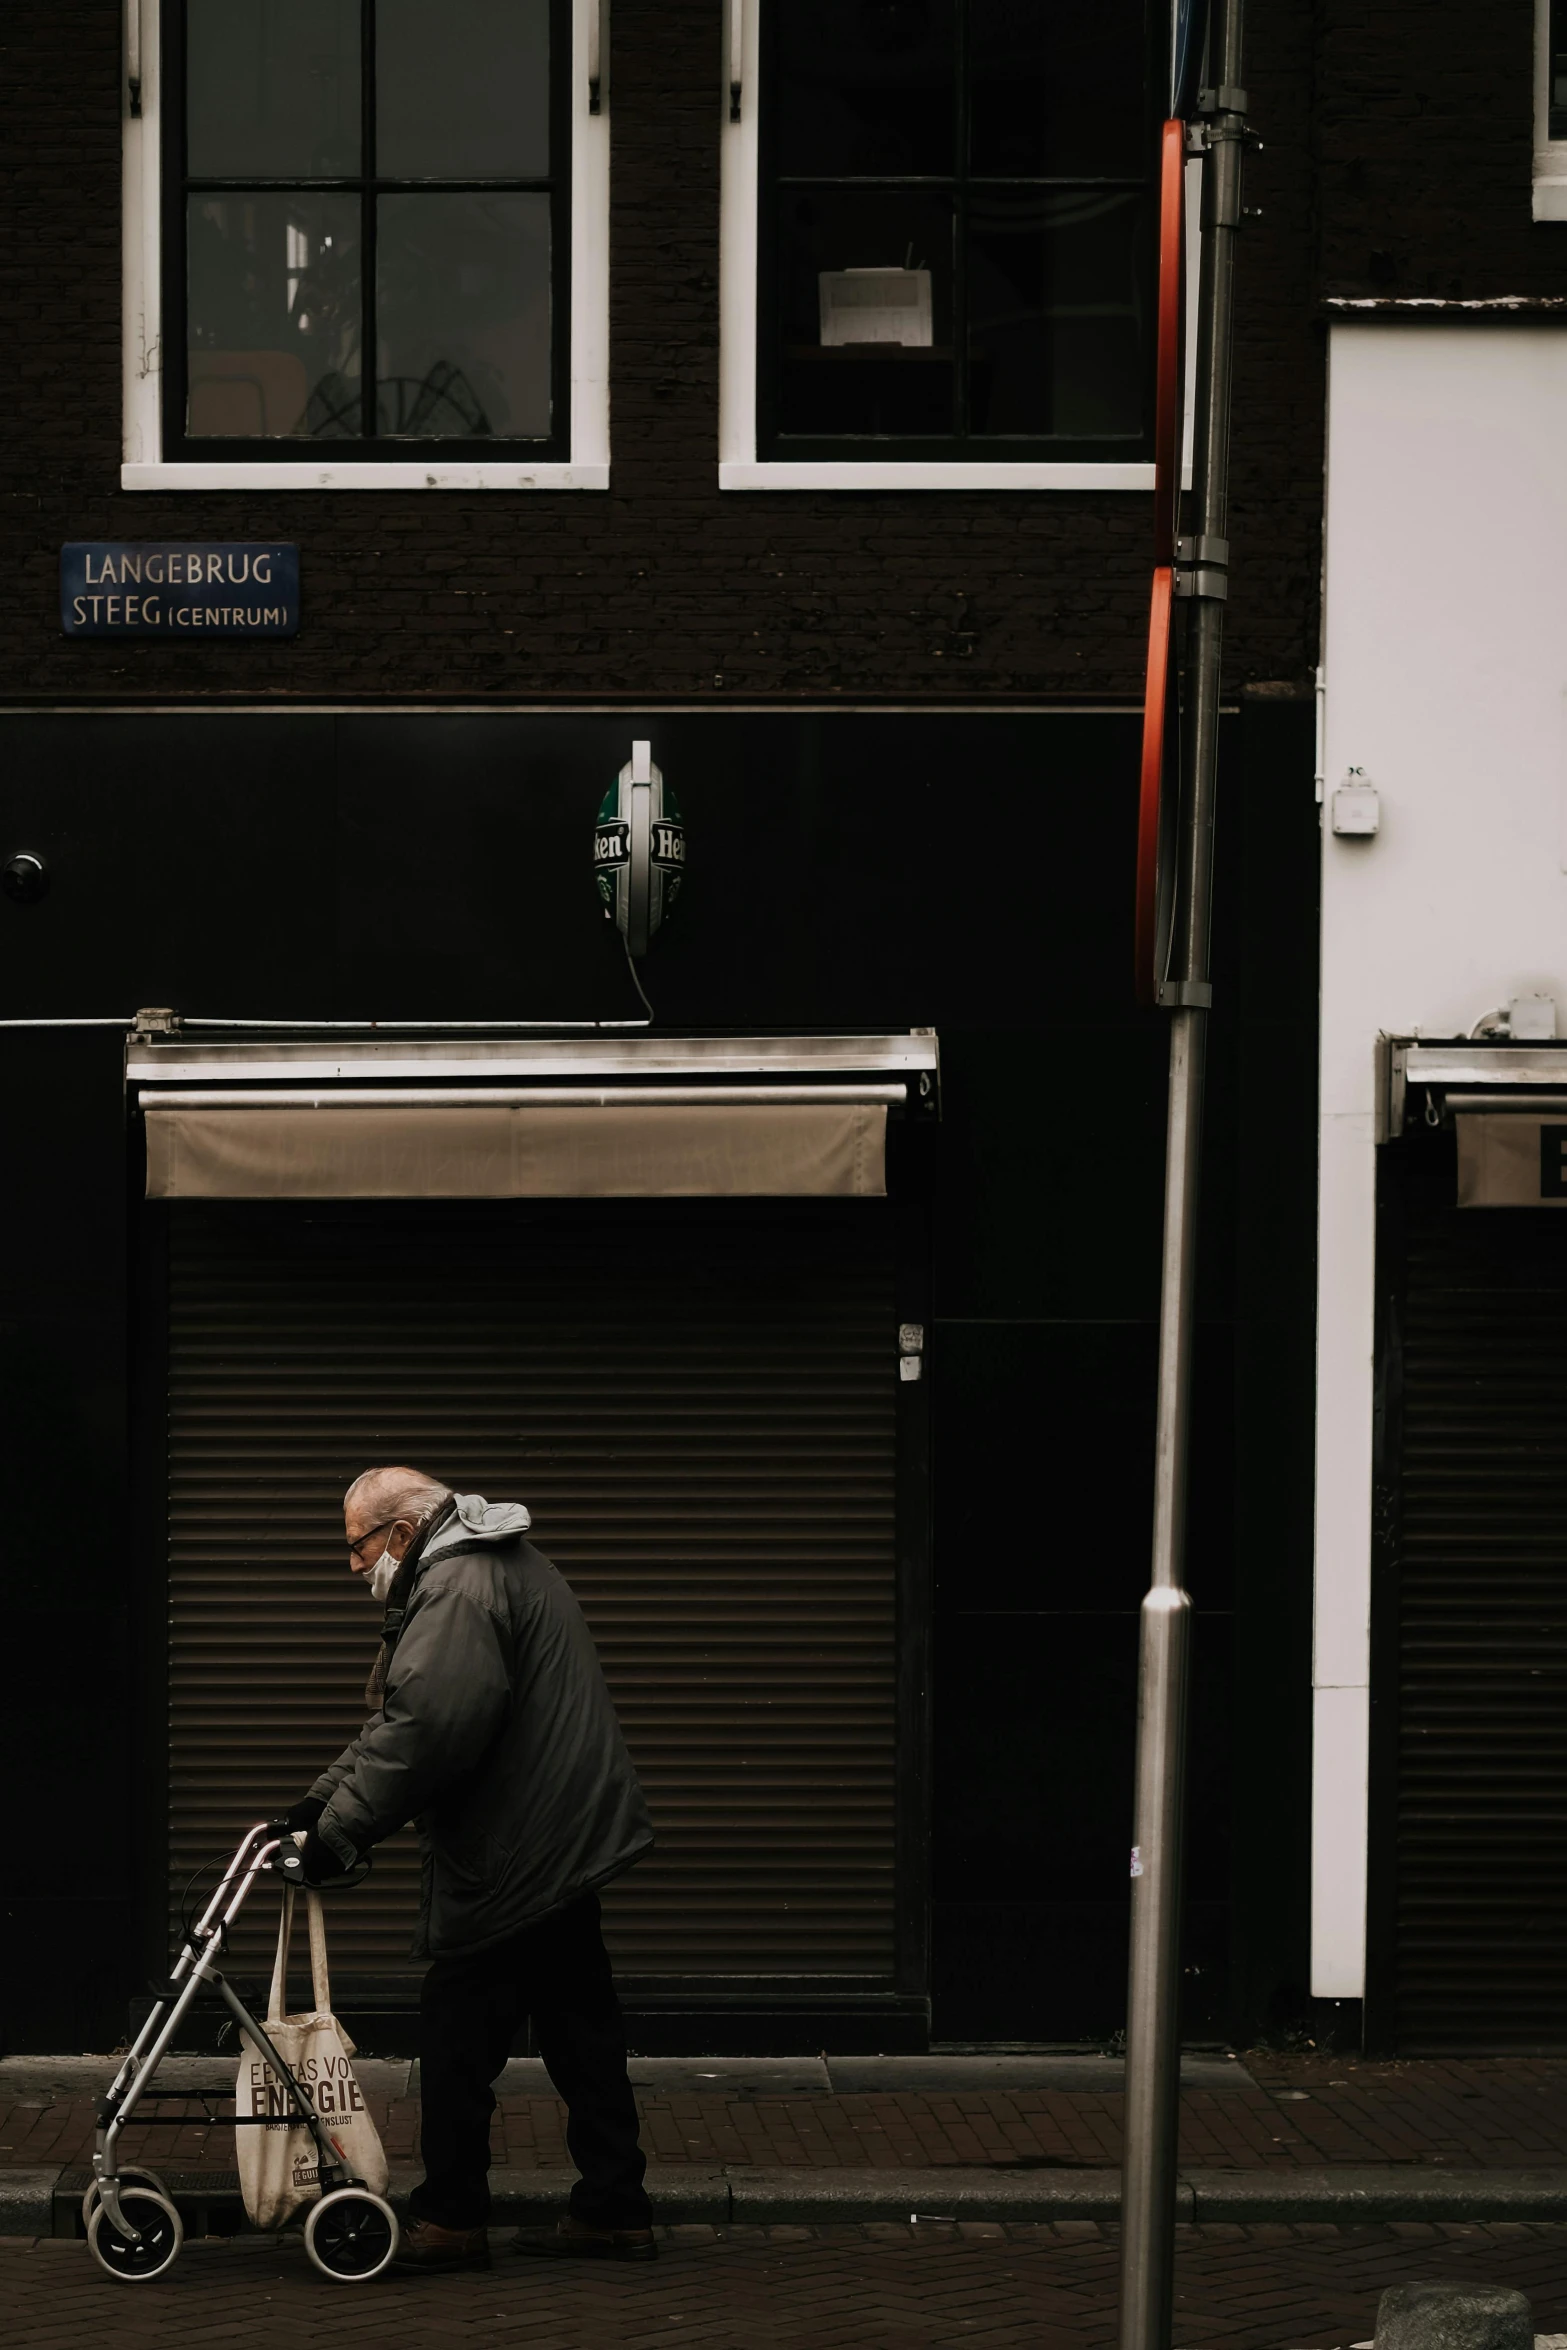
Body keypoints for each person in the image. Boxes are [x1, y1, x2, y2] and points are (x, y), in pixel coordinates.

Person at [274, 1465, 656, 2271]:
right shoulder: (496, 1563)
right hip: (559, 1842)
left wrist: (336, 1837)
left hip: (516, 1854)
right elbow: (405, 1719)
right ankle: (615, 2207)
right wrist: (319, 1802)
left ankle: (450, 2218)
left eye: (357, 1547)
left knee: (455, 2037)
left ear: (403, 1535)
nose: (353, 1567)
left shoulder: (455, 1589)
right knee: (581, 2031)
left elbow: (428, 1731)